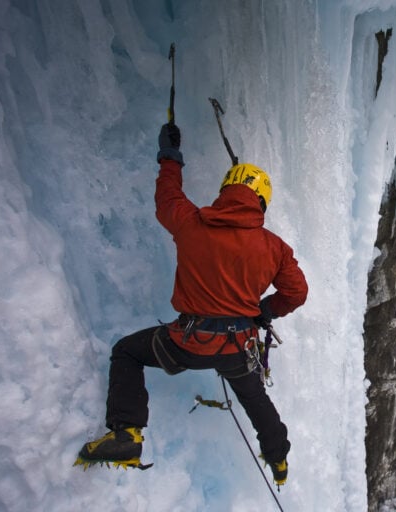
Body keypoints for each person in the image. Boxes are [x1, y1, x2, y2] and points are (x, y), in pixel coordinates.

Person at [76, 123, 308, 487]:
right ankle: (278, 460)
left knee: (127, 352)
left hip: (186, 343)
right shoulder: (274, 246)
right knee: (254, 398)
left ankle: (127, 434)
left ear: (224, 192)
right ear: (261, 201)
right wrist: (265, 311)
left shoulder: (192, 223)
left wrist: (171, 156)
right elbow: (296, 293)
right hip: (236, 348)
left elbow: (167, 198)